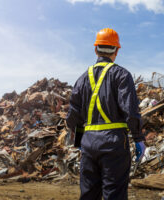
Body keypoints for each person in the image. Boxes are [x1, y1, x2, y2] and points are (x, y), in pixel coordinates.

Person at [66, 28, 146, 200]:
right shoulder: (122, 75)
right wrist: (138, 138)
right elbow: (131, 112)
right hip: (114, 144)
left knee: (88, 194)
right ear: (117, 51)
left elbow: (73, 116)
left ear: (96, 49)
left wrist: (80, 140)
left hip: (88, 144)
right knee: (114, 194)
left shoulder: (81, 79)